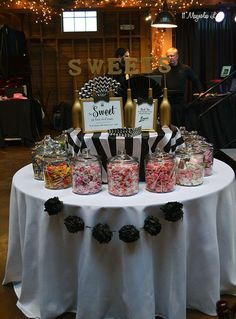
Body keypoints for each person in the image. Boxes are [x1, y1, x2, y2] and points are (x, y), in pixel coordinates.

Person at [162, 47, 202, 127]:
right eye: (168, 56)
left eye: (172, 56)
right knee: (166, 124)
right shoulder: (163, 69)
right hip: (166, 100)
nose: (170, 58)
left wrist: (201, 92)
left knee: (179, 124)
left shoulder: (185, 68)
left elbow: (196, 80)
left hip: (179, 101)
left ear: (177, 56)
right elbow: (152, 77)